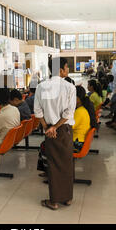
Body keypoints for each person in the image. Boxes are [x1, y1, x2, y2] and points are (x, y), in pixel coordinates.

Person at [35, 57, 76, 210]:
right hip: (64, 130)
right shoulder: (70, 87)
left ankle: (54, 201)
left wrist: (48, 127)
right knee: (66, 163)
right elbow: (69, 112)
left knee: (53, 165)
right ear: (60, 69)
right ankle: (67, 198)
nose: (68, 70)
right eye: (66, 67)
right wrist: (56, 127)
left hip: (50, 130)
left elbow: (38, 111)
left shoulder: (41, 86)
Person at [73, 86, 92, 152]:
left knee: (47, 144)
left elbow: (69, 127)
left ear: (78, 98)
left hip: (76, 143)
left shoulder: (79, 112)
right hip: (80, 140)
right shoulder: (83, 109)